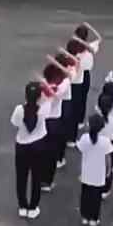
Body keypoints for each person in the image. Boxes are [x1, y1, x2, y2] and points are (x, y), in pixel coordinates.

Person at [11, 82, 48, 219]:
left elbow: (15, 123)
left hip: (22, 145)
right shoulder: (43, 109)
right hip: (38, 145)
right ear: (39, 96)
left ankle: (22, 206)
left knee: (21, 177)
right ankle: (33, 207)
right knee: (37, 177)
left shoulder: (19, 109)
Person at [77, 113, 113, 226]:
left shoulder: (84, 138)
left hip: (86, 172)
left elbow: (80, 150)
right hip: (99, 174)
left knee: (85, 195)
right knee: (96, 197)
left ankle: (84, 216)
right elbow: (108, 158)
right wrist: (109, 170)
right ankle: (94, 218)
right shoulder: (105, 141)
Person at [40, 58, 72, 190]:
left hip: (42, 120)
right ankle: (47, 181)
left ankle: (40, 178)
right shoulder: (62, 85)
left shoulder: (43, 85)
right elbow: (68, 75)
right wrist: (58, 65)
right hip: (54, 121)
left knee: (42, 151)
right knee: (51, 152)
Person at [96, 91, 113, 197]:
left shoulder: (96, 119)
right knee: (109, 166)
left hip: (97, 144)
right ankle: (106, 188)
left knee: (99, 165)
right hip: (109, 144)